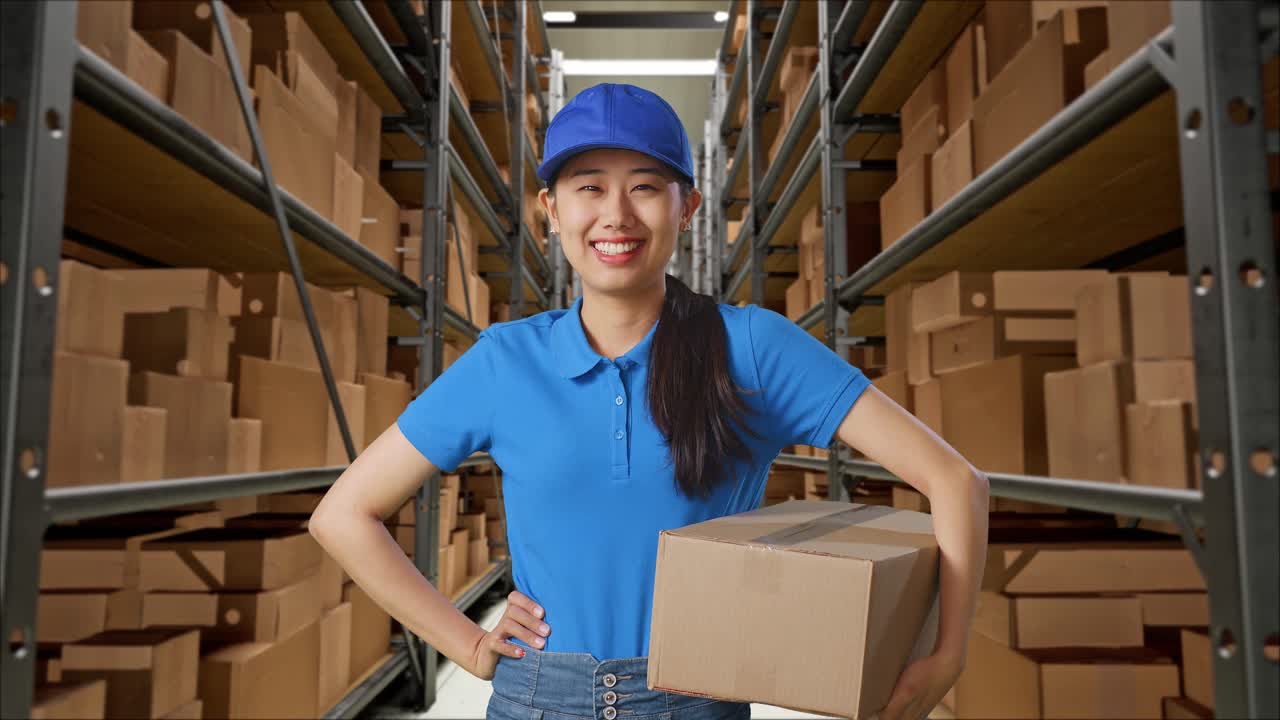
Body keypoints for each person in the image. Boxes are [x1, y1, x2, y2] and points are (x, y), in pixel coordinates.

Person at [310, 82, 989, 720]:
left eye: (645, 188)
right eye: (589, 189)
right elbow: (343, 515)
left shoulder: (752, 347)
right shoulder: (504, 362)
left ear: (687, 206)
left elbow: (956, 481)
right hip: (538, 698)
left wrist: (947, 655)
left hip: (697, 700)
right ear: (551, 210)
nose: (616, 215)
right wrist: (464, 643)